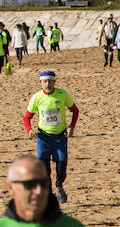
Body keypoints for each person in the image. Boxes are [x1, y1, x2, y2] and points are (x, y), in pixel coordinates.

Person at [23, 70, 79, 203]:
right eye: (45, 81)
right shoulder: (37, 97)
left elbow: (75, 111)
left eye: (50, 81)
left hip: (60, 138)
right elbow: (27, 118)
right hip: (43, 138)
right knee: (44, 170)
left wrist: (72, 126)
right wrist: (29, 130)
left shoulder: (62, 94)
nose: (47, 84)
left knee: (62, 170)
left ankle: (59, 185)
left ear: (54, 82)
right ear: (40, 82)